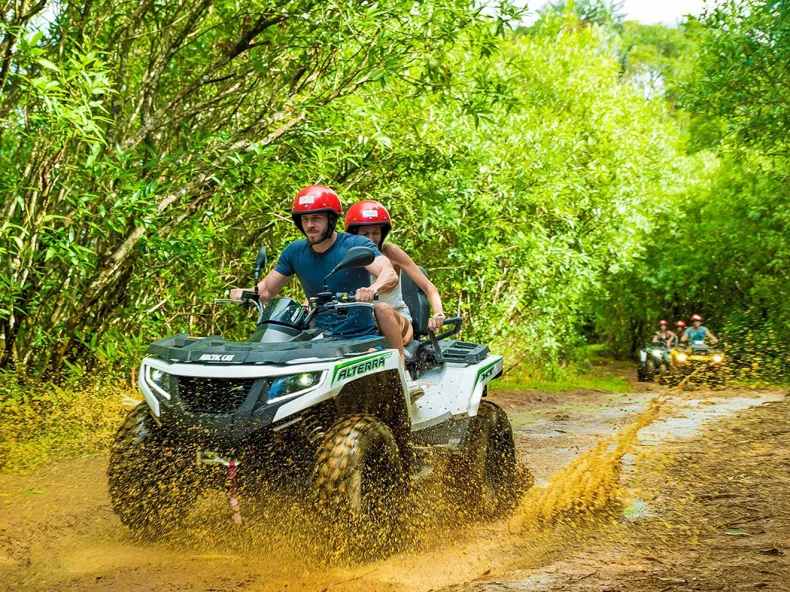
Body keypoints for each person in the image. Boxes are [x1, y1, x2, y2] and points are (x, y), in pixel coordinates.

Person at [230, 185, 401, 346]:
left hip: (361, 338)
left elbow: (389, 274)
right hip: (318, 339)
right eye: (305, 219)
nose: (310, 225)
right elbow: (266, 290)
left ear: (331, 219)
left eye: (317, 218)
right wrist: (244, 293)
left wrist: (373, 289)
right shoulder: (294, 251)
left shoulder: (356, 244)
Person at [344, 200, 446, 358]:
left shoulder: (390, 252)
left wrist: (438, 313)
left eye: (375, 233)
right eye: (365, 234)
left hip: (398, 320)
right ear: (355, 235)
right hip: (362, 325)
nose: (371, 238)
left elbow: (429, 288)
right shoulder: (346, 256)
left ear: (382, 233)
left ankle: (400, 372)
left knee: (382, 309)